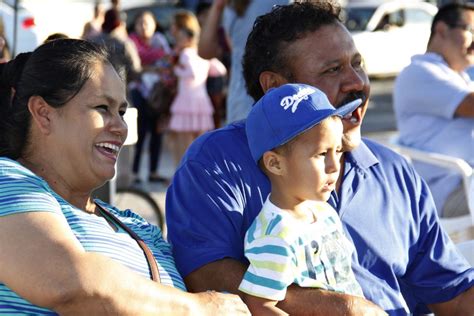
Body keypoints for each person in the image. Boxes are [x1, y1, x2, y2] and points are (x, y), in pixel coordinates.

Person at [166, 2, 474, 315]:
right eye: (333, 69)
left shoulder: (394, 172)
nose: (358, 83)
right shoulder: (217, 163)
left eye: (358, 64)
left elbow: (454, 294)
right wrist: (340, 308)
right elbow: (203, 274)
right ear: (275, 88)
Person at [0, 38, 249, 315]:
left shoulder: (137, 225)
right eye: (102, 108)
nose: (120, 126)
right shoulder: (7, 180)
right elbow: (69, 283)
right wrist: (199, 307)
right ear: (44, 114)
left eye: (121, 111)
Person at [240, 83, 364, 315]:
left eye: (338, 150)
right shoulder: (275, 236)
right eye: (321, 154)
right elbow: (259, 304)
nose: (334, 165)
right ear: (275, 163)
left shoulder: (324, 211)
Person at [394, 3, 474, 218]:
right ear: (441, 30)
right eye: (471, 30)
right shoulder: (419, 72)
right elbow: (470, 105)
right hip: (454, 189)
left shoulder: (457, 74)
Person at [198, 0, 291, 124]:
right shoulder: (233, 7)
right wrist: (217, 6)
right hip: (242, 104)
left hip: (278, 102)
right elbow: (206, 51)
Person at [168, 11, 226, 166]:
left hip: (186, 101)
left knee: (183, 146)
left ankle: (181, 176)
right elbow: (220, 69)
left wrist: (177, 70)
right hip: (202, 101)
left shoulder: (185, 53)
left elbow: (191, 73)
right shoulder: (202, 54)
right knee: (201, 146)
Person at [128, 10, 172, 183]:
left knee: (157, 132)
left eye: (148, 22)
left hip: (158, 93)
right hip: (138, 91)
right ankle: (135, 172)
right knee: (139, 132)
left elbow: (168, 63)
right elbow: (133, 69)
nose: (144, 26)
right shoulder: (131, 42)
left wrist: (147, 66)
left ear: (155, 25)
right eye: (140, 23)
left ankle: (153, 171)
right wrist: (153, 67)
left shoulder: (161, 41)